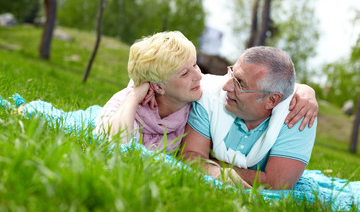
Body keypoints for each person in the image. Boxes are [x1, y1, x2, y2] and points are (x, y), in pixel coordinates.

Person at [94, 31, 317, 153]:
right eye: (184, 73)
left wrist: (305, 91)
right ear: (158, 86)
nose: (199, 75)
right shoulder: (127, 104)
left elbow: (263, 84)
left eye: (195, 65)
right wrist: (135, 94)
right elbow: (114, 146)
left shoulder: (199, 99)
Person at [180, 46, 317, 190]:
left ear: (271, 101)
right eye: (231, 74)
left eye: (239, 84)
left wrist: (212, 165)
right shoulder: (209, 96)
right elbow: (190, 156)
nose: (226, 86)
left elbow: (277, 183)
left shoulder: (298, 115)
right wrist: (216, 172)